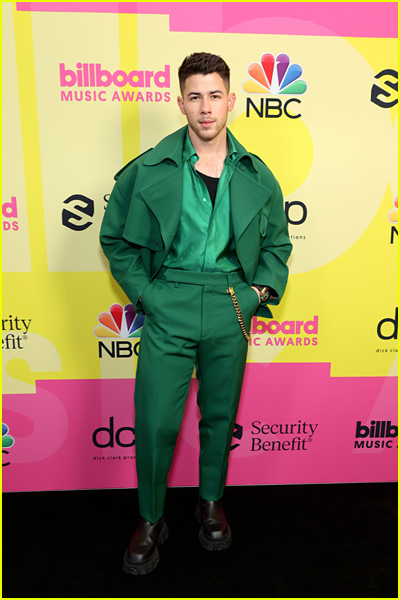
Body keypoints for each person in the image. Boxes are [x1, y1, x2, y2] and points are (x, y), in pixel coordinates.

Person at [100, 52, 292, 575]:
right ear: (180, 101)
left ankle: (210, 501)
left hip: (231, 305)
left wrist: (256, 294)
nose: (205, 108)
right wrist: (149, 296)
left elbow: (277, 244)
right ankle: (150, 517)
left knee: (219, 416)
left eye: (215, 96)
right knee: (156, 419)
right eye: (194, 96)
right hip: (170, 303)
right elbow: (114, 239)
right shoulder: (149, 169)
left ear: (231, 100)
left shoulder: (257, 174)